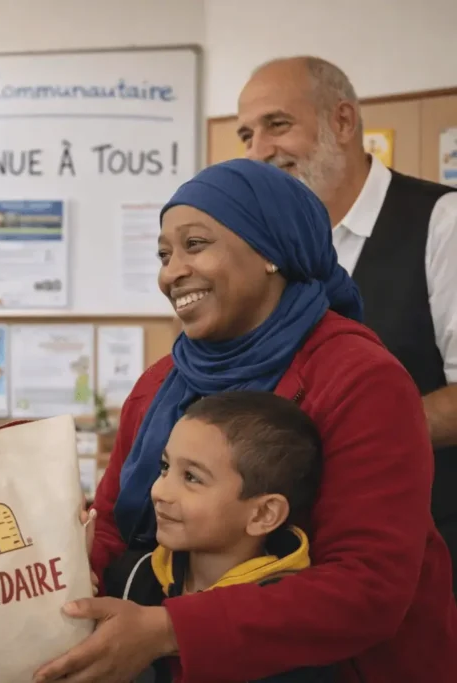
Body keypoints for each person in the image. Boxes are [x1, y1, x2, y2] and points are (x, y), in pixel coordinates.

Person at [33, 159, 457, 683]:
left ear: (270, 252)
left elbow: (368, 586)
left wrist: (168, 630)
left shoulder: (360, 380)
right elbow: (114, 532)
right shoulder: (159, 385)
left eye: (195, 245)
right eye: (164, 254)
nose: (172, 271)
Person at [235, 56, 457, 590]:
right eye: (246, 134)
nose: (259, 150)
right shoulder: (269, 253)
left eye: (277, 124)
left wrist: (336, 438)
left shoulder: (442, 223)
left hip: (429, 559)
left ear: (342, 121)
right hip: (303, 566)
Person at [107, 391, 331, 683]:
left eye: (191, 478)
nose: (159, 492)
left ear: (263, 514)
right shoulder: (132, 576)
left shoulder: (290, 630)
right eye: (165, 467)